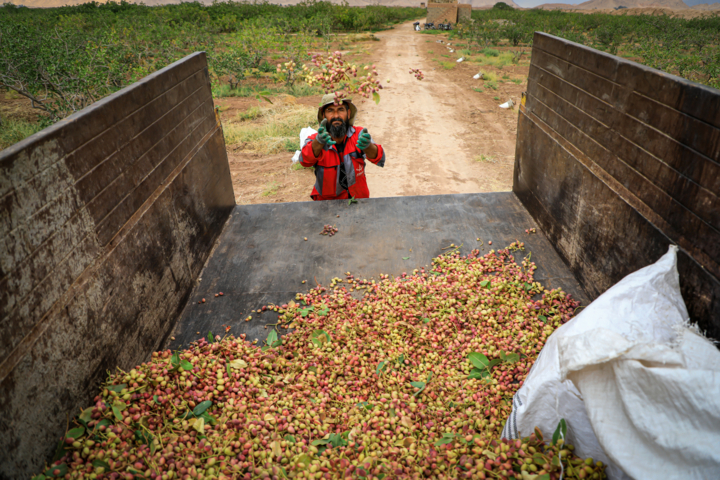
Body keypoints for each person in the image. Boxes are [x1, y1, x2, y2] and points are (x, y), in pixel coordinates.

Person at [300, 94, 385, 201]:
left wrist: (368, 146)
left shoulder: (359, 135)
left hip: (358, 201)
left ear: (348, 114)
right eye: (330, 110)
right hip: (326, 205)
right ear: (324, 115)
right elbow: (304, 161)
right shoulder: (314, 140)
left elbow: (379, 157)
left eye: (340, 110)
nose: (336, 115)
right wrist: (319, 142)